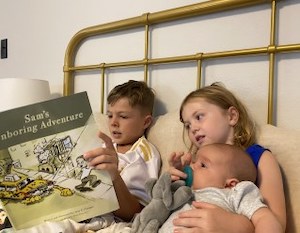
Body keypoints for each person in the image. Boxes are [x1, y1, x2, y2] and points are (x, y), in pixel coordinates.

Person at [168, 82, 286, 233]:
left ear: (231, 116)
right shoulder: (192, 163)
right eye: (187, 125)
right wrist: (173, 180)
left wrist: (235, 225)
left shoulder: (260, 158)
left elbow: (277, 223)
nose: (193, 128)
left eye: (199, 117)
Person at [83, 80, 161, 222]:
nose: (113, 122)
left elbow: (136, 212)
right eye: (110, 115)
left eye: (123, 116)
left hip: (112, 220)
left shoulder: (143, 153)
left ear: (146, 122)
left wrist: (114, 176)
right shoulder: (104, 146)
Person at [159, 143, 282, 233]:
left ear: (230, 184)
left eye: (202, 165)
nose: (192, 166)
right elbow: (158, 206)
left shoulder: (235, 193)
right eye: (194, 161)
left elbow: (266, 219)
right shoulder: (185, 191)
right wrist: (174, 180)